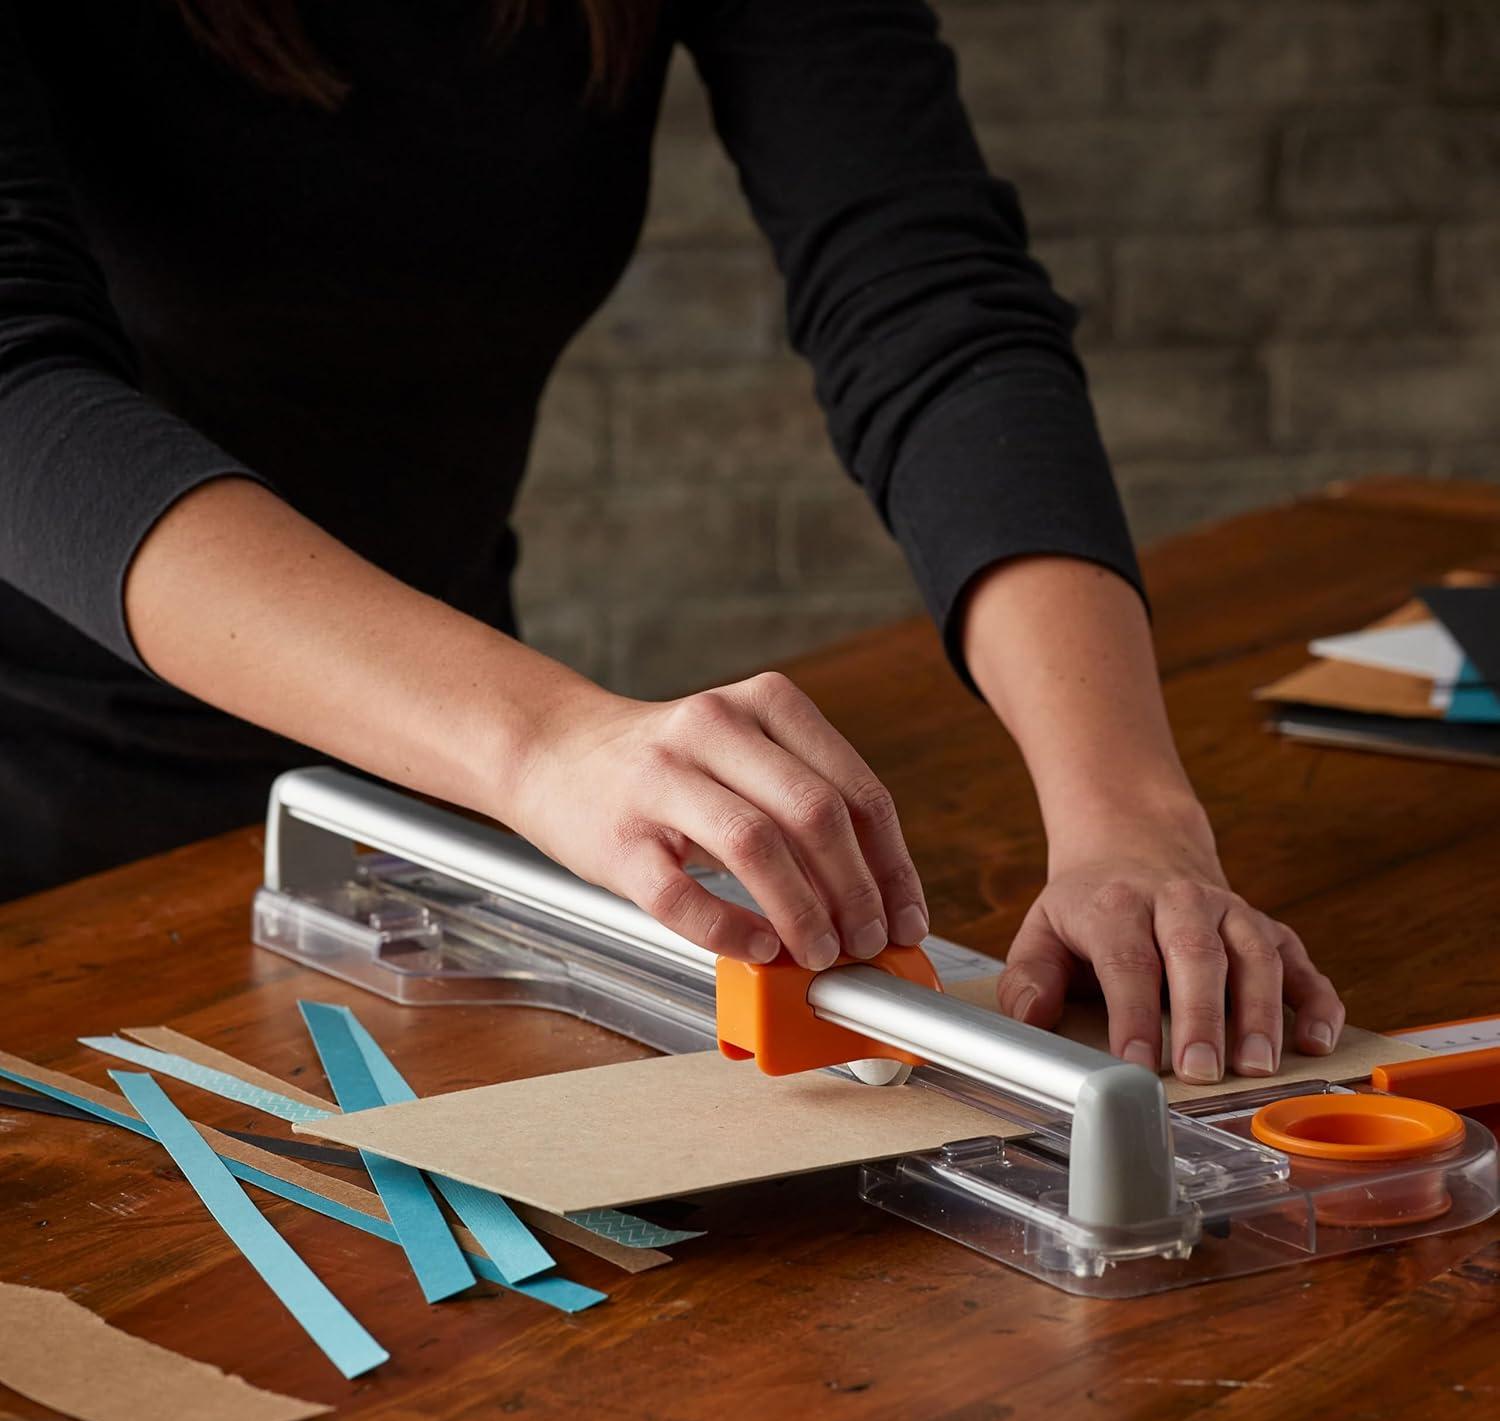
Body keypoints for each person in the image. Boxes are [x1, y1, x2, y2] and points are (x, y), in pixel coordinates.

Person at [0, 0, 1344, 1083]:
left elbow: (925, 292)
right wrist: (542, 742)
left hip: (426, 830)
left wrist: (1129, 818)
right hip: (40, 824)